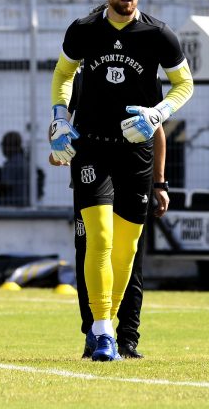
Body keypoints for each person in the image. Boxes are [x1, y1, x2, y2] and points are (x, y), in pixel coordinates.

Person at [48, 0, 193, 361]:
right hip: (92, 146)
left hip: (137, 151)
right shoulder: (83, 30)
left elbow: (184, 84)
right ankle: (102, 332)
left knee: (127, 249)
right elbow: (62, 75)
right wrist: (60, 116)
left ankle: (111, 327)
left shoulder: (159, 35)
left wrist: (158, 113)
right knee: (100, 239)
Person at [53, 62, 170, 359]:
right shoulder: (82, 77)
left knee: (128, 255)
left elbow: (157, 130)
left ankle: (128, 337)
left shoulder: (145, 74)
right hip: (92, 172)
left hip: (134, 169)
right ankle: (93, 331)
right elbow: (62, 122)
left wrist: (159, 182)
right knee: (91, 250)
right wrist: (57, 148)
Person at [0, 131, 44, 207]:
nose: (2, 148)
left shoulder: (13, 165)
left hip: (11, 210)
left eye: (3, 145)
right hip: (20, 207)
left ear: (9, 146)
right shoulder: (23, 161)